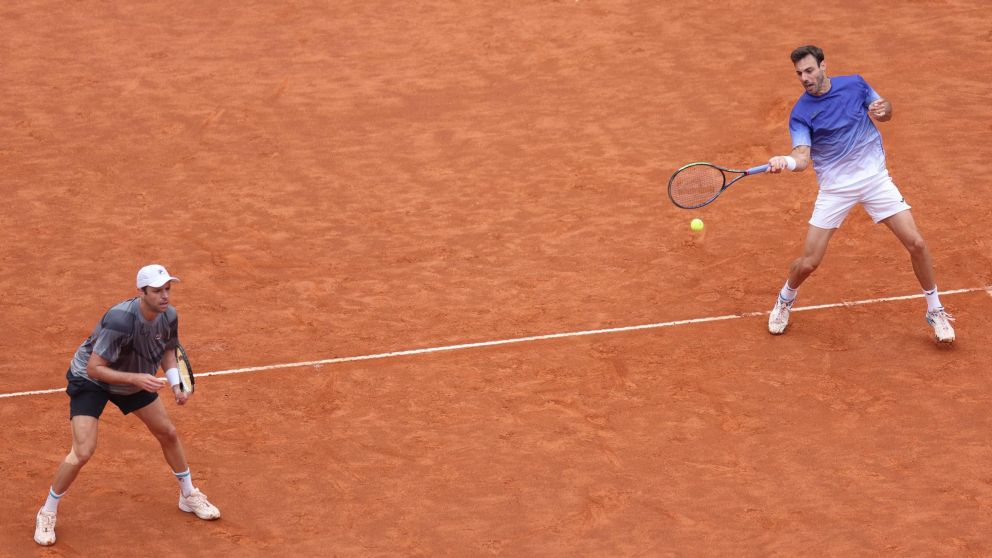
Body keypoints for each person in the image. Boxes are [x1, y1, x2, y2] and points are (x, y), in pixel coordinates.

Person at [765, 45, 955, 343]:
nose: (804, 77)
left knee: (916, 243)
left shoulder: (855, 84)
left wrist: (885, 109)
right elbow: (802, 158)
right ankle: (785, 298)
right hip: (836, 189)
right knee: (809, 262)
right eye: (799, 73)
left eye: (809, 70)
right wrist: (785, 161)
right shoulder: (801, 113)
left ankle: (936, 309)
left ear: (824, 66)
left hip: (874, 180)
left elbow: (885, 110)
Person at [34, 264, 220, 546]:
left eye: (167, 289)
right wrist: (137, 378)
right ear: (142, 292)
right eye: (157, 291)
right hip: (92, 380)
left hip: (134, 380)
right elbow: (96, 368)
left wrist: (175, 384)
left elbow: (169, 352)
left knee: (167, 432)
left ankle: (188, 494)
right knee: (83, 451)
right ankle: (47, 511)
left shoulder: (168, 315)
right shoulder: (120, 319)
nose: (165, 296)